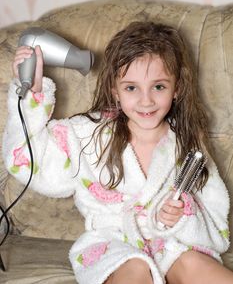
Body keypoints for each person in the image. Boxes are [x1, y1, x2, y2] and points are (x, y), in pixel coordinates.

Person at [2, 22, 233, 284]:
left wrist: (183, 216)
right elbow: (26, 161)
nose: (146, 101)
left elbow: (214, 218)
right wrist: (32, 97)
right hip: (112, 244)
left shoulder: (187, 143)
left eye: (158, 87)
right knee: (135, 266)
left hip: (170, 242)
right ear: (115, 89)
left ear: (177, 88)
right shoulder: (87, 135)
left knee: (194, 263)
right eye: (131, 88)